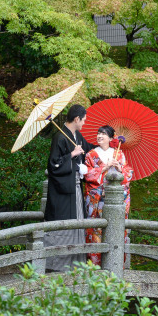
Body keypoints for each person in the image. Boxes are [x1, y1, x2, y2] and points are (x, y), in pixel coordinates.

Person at [43, 103, 95, 272]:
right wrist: (71, 155)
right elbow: (53, 165)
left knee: (77, 223)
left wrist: (107, 145)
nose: (84, 123)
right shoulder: (60, 137)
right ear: (76, 118)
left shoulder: (77, 135)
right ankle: (57, 266)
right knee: (63, 224)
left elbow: (89, 151)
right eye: (84, 120)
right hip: (62, 190)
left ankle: (76, 264)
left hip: (76, 188)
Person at [84, 125, 132, 265]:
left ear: (111, 138)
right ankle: (94, 263)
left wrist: (119, 168)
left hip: (114, 198)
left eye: (103, 134)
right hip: (97, 199)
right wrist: (104, 167)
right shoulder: (91, 154)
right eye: (98, 133)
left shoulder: (118, 154)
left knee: (115, 230)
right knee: (96, 230)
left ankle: (115, 262)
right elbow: (88, 175)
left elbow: (128, 174)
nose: (99, 136)